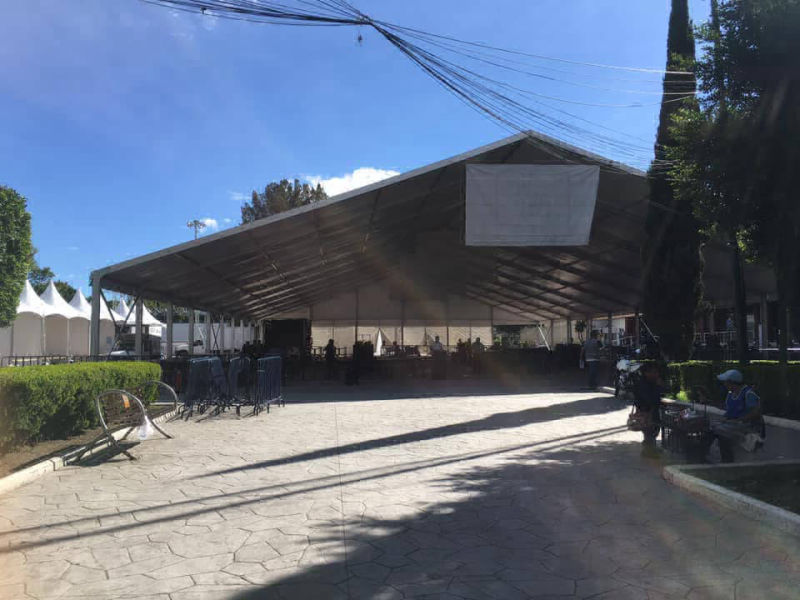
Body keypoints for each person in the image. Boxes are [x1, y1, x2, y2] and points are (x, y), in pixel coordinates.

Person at [712, 369, 764, 462]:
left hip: (748, 426)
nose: (724, 384)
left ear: (732, 383)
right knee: (713, 426)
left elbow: (756, 412)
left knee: (719, 429)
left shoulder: (748, 394)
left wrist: (739, 420)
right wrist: (708, 401)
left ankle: (727, 459)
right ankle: (725, 458)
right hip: (734, 424)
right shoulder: (730, 394)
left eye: (726, 382)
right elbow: (728, 409)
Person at [633, 362, 662, 457]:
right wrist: (657, 387)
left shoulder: (648, 383)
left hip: (649, 411)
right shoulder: (643, 384)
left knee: (651, 431)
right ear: (646, 373)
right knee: (650, 431)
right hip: (646, 411)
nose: (656, 374)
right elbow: (650, 399)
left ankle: (649, 450)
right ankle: (649, 451)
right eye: (654, 372)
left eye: (657, 372)